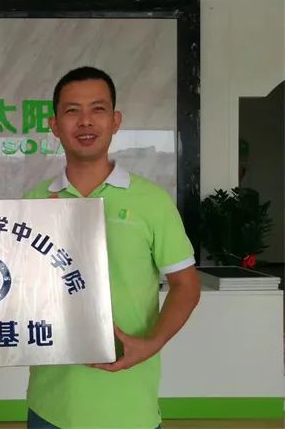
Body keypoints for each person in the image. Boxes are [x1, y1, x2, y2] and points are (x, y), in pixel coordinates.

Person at [24, 67, 200, 429]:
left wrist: (152, 342)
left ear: (115, 121)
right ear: (54, 125)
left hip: (129, 407)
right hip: (51, 404)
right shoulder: (35, 202)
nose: (85, 121)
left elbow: (186, 285)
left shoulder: (152, 201)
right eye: (72, 111)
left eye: (98, 109)